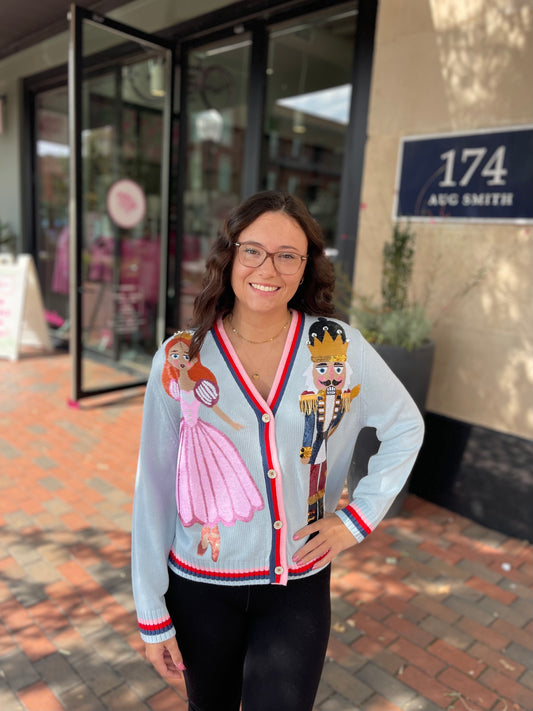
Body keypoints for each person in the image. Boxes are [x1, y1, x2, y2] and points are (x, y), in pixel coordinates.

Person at [131, 190, 424, 711]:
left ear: (306, 266)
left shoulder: (338, 347)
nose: (269, 267)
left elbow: (406, 428)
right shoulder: (181, 358)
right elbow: (153, 488)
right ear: (230, 255)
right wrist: (152, 611)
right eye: (254, 250)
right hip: (201, 586)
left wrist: (355, 520)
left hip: (297, 584)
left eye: (289, 255)